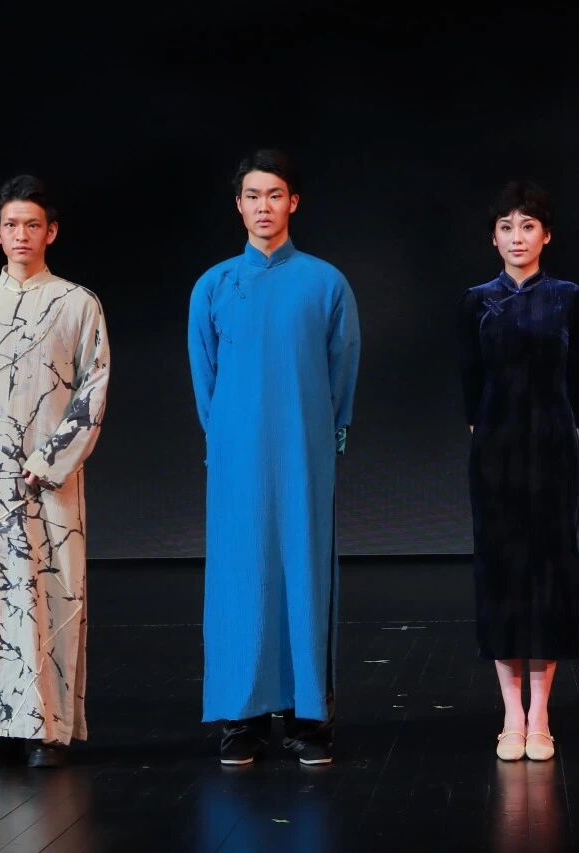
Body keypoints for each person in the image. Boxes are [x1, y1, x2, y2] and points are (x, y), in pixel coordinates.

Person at [187, 149, 360, 766]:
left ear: (294, 202)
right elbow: (205, 376)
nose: (264, 206)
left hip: (304, 448)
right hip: (237, 453)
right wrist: (225, 437)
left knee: (304, 571)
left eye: (275, 195)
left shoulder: (325, 282)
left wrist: (322, 433)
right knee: (240, 575)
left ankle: (311, 715)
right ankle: (244, 716)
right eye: (253, 196)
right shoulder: (213, 285)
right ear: (239, 205)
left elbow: (342, 370)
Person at [0, 175, 110, 768]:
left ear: (52, 232)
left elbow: (92, 387)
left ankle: (49, 730)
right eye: (12, 225)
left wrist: (49, 458)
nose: (22, 235)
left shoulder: (77, 303)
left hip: (53, 474)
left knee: (52, 589)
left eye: (33, 225)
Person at [458, 180, 579, 762]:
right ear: (494, 237)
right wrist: (487, 434)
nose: (517, 237)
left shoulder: (569, 298)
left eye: (528, 226)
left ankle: (541, 714)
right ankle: (511, 713)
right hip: (495, 453)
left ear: (546, 235)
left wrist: (567, 431)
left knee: (550, 573)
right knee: (501, 573)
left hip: (554, 451)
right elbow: (469, 383)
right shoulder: (475, 301)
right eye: (507, 227)